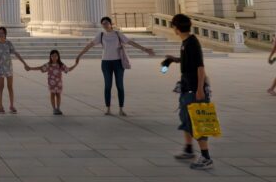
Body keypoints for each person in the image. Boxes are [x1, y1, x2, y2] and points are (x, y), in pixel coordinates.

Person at [162, 13, 214, 170]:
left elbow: (200, 67)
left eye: (173, 26)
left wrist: (199, 90)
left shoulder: (191, 42)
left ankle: (206, 157)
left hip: (194, 90)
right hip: (186, 88)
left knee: (196, 122)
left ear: (176, 28)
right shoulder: (186, 42)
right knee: (185, 119)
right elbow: (190, 62)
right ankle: (189, 149)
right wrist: (174, 60)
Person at [74, 16, 155, 116]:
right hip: (106, 63)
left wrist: (145, 49)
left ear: (111, 24)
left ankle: (121, 109)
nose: (105, 24)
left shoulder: (117, 34)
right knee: (108, 86)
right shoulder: (101, 35)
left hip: (118, 63)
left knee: (119, 86)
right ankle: (108, 108)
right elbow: (90, 45)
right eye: (103, 23)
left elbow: (130, 42)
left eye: (107, 22)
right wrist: (79, 55)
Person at [27, 49, 78, 115]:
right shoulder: (48, 65)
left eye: (56, 56)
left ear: (58, 57)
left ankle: (58, 108)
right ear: (50, 57)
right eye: (52, 56)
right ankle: (54, 109)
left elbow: (68, 69)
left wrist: (76, 64)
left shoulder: (60, 65)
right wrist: (30, 68)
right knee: (52, 95)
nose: (54, 57)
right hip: (52, 84)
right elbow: (40, 68)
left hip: (58, 83)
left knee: (58, 95)